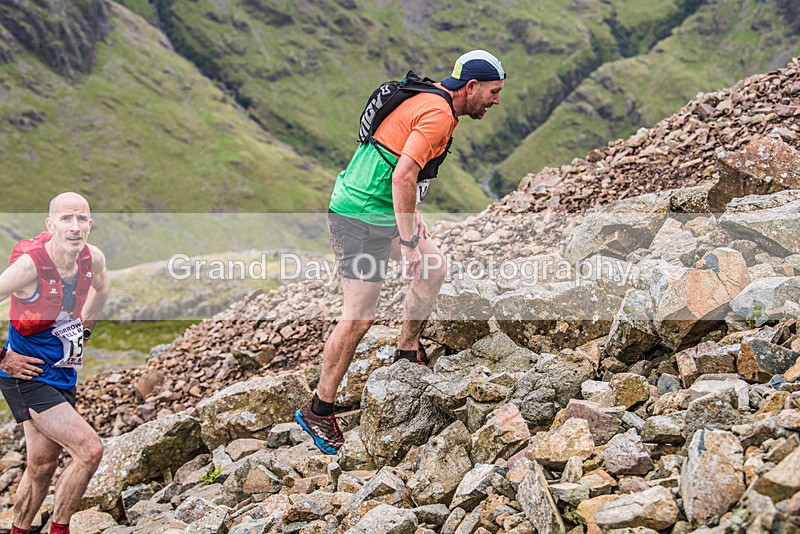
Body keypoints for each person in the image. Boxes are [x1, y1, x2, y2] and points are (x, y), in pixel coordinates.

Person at [296, 50, 506, 454]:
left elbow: (400, 167)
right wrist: (408, 239)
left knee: (433, 267)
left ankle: (407, 351)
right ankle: (319, 410)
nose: (496, 101)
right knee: (359, 316)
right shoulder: (438, 114)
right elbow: (403, 173)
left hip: (379, 209)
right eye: (493, 92)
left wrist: (410, 217)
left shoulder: (431, 98)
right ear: (472, 87)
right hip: (357, 215)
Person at [0, 192, 110, 534]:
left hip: (61, 371)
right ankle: (59, 530)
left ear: (90, 224)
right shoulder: (29, 267)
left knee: (42, 465)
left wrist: (84, 333)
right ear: (51, 225)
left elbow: (102, 290)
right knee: (89, 451)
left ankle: (18, 530)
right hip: (26, 374)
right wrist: (3, 358)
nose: (74, 227)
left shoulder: (93, 259)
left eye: (81, 219)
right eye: (66, 219)